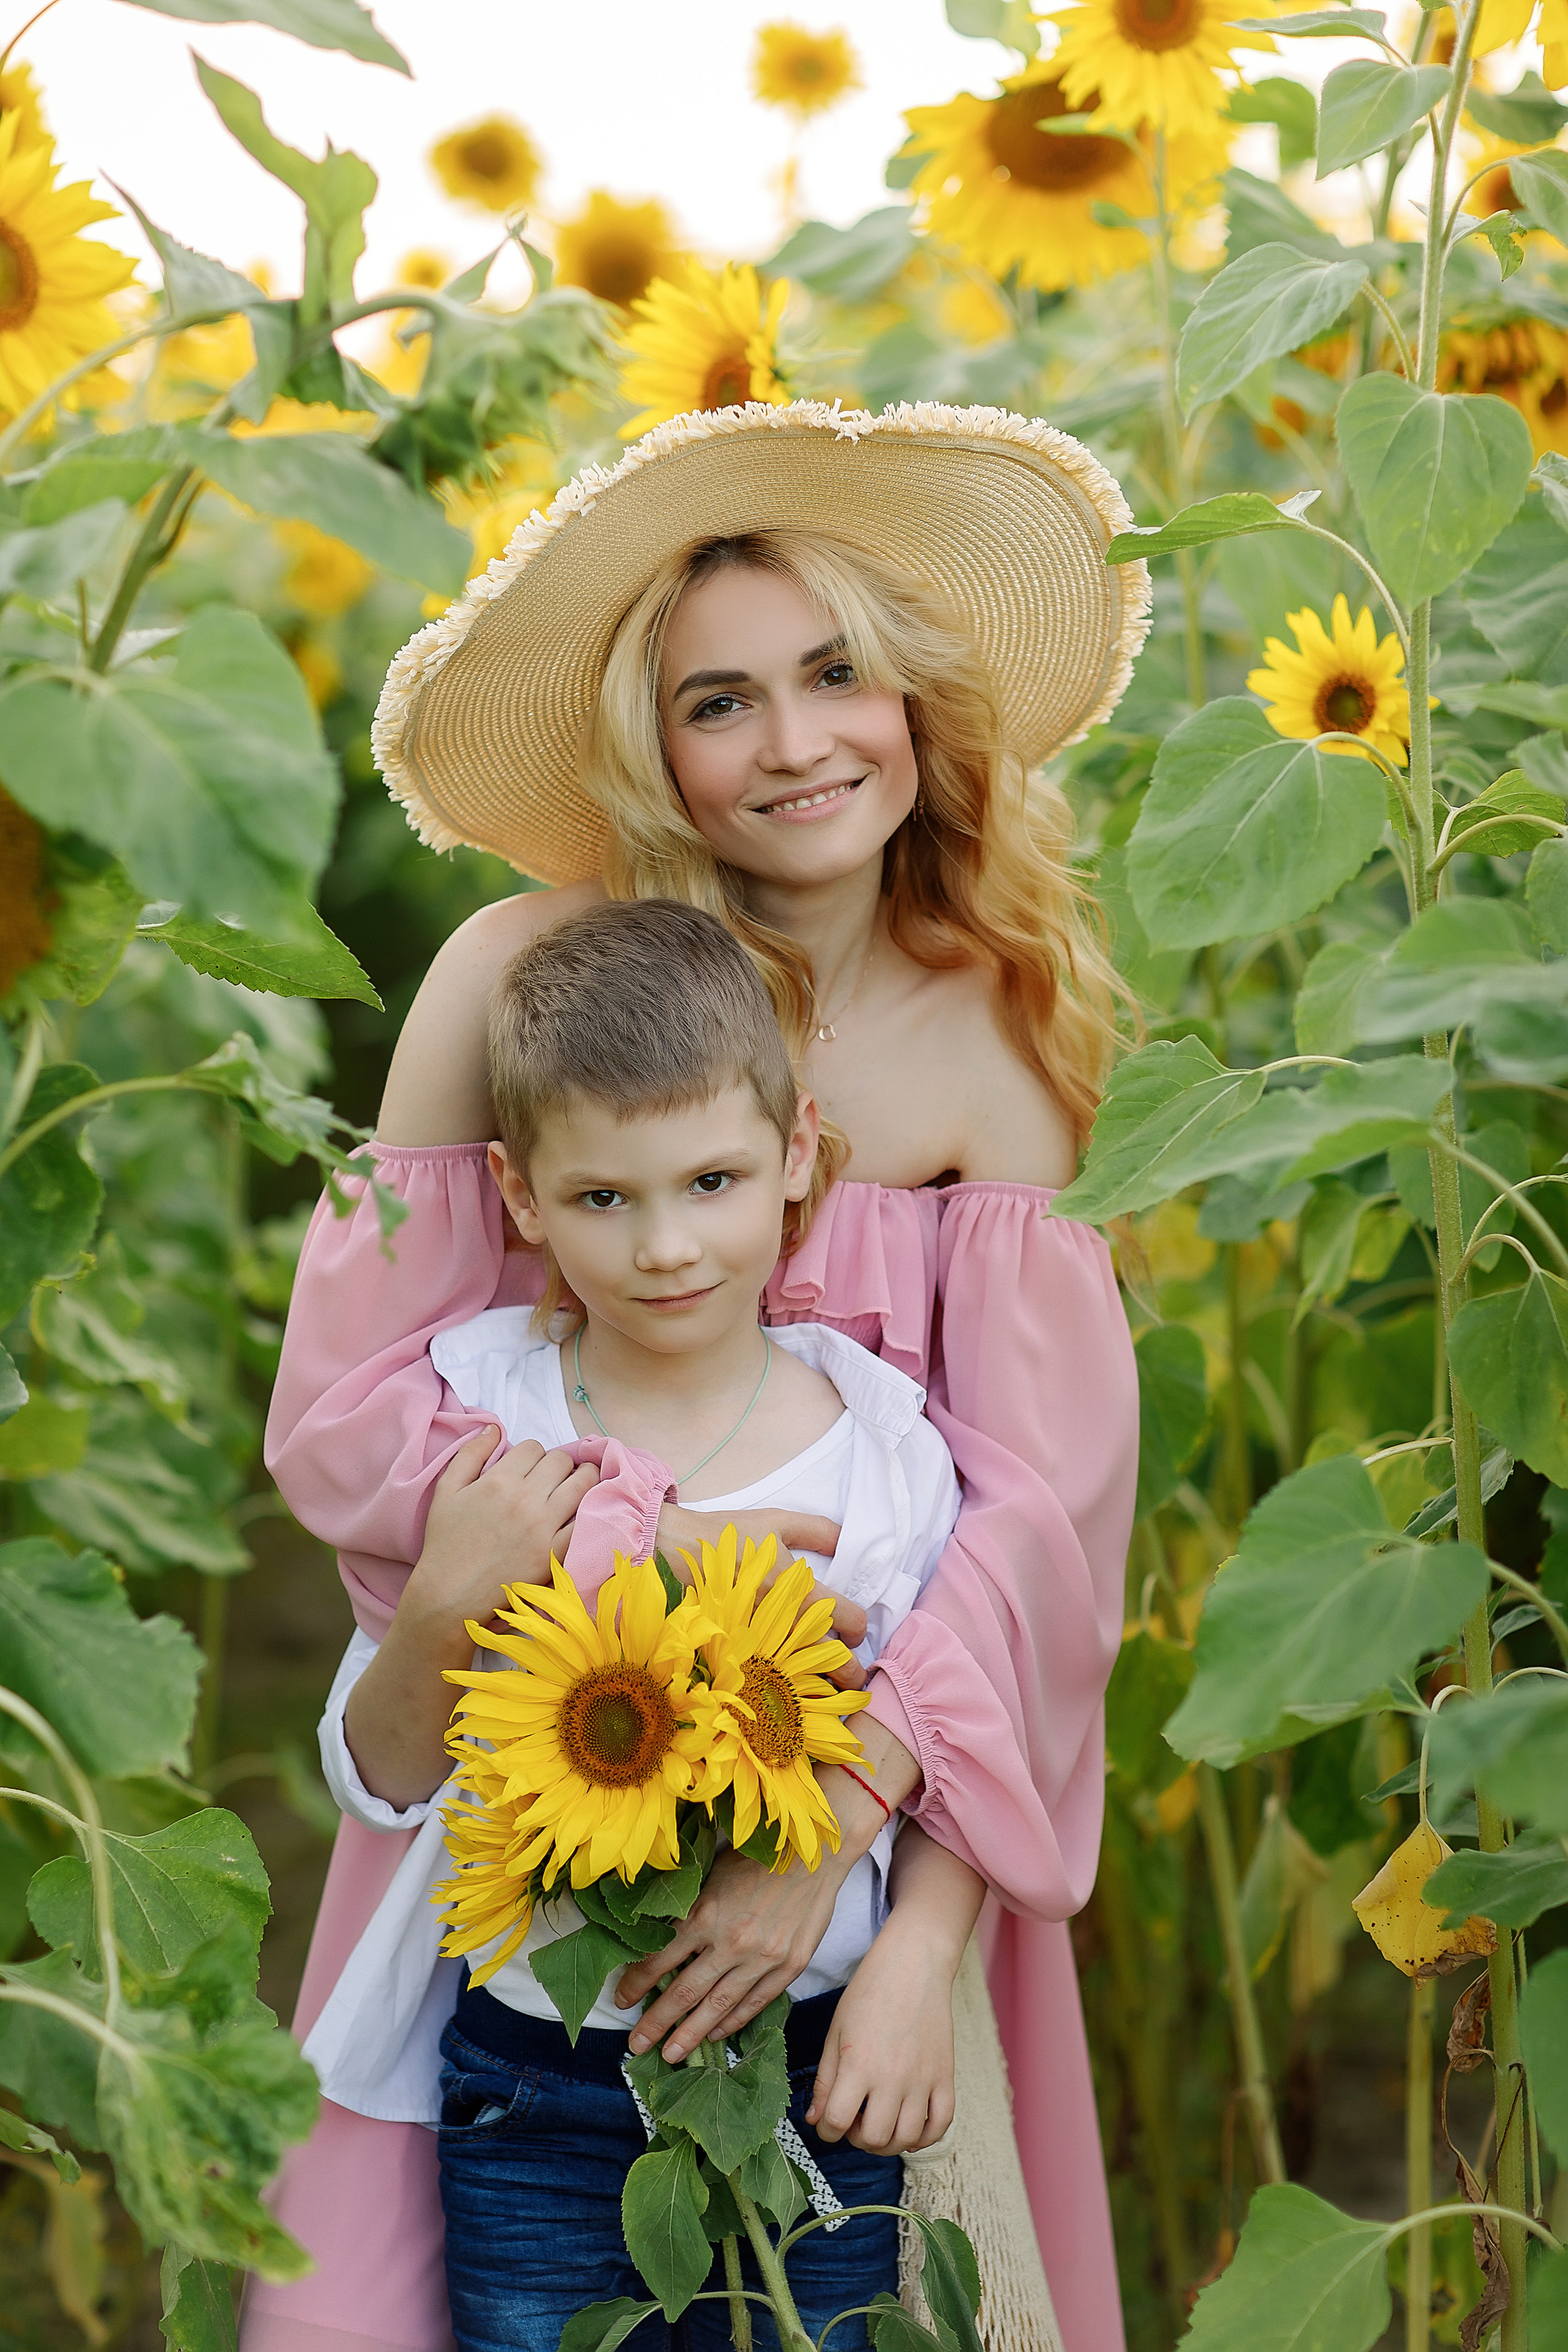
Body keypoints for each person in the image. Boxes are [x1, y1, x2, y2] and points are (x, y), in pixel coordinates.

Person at [251, 399, 1147, 2352]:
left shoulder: (1002, 1038)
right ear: (652, 746)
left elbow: (1037, 1544)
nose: (797, 741)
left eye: (837, 674)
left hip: (896, 1837)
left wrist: (853, 1841)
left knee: (855, 2275)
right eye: (720, 700)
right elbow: (351, 1407)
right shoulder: (520, 979)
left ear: (913, 696)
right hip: (549, 1807)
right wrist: (623, 1596)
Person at [300, 899, 987, 2352]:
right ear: (520, 1196)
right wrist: (445, 1603)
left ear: (797, 1156)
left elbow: (951, 1752)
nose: (667, 1246)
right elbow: (376, 1775)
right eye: (604, 1198)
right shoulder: (480, 1417)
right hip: (533, 2078)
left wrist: (922, 1957)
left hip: (805, 2063)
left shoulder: (882, 1446)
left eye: (712, 1180)